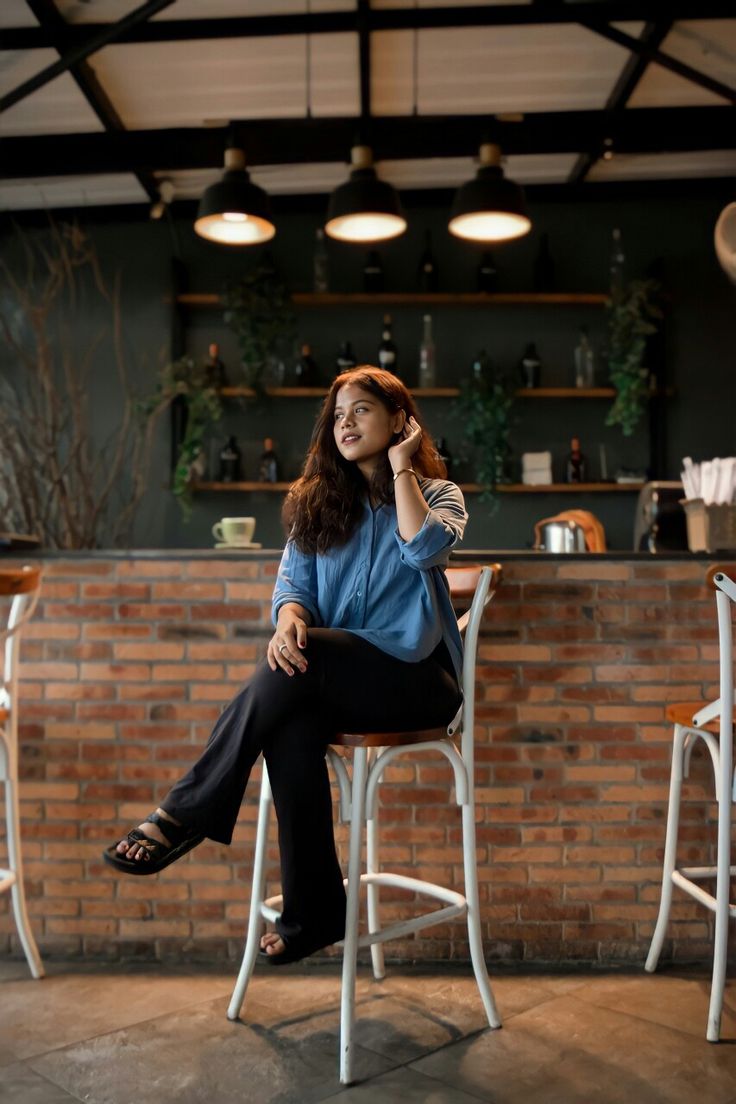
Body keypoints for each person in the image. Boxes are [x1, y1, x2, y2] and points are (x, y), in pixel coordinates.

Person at [104, 365, 467, 965]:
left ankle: (186, 811)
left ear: (401, 421)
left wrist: (402, 466)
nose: (345, 423)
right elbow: (291, 585)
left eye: (362, 411)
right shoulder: (315, 502)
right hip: (336, 679)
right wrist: (289, 618)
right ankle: (315, 916)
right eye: (338, 415)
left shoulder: (435, 494)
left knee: (303, 660)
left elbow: (424, 547)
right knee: (289, 723)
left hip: (416, 682)